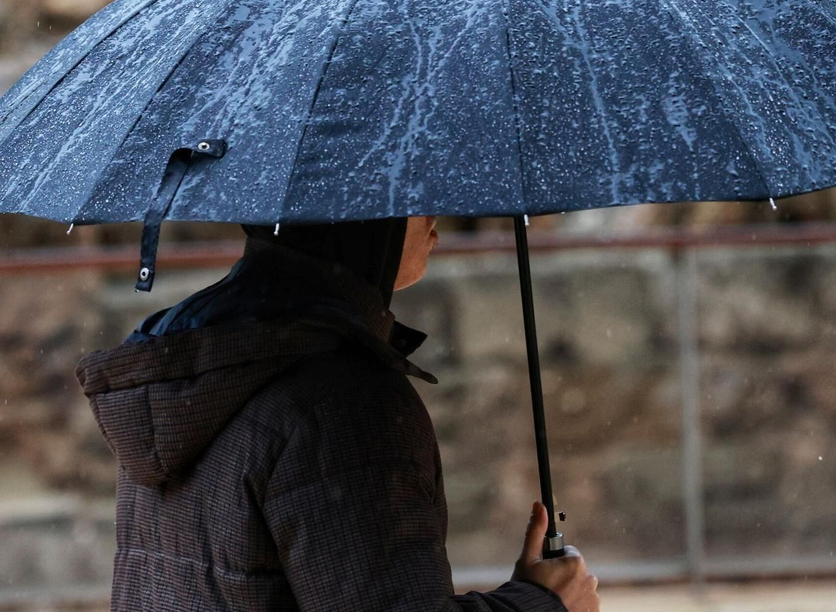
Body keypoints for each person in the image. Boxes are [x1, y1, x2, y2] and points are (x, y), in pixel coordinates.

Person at [76, 216, 601, 612]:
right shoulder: (343, 403)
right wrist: (543, 604)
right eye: (409, 190)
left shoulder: (195, 369)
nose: (433, 215)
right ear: (365, 218)